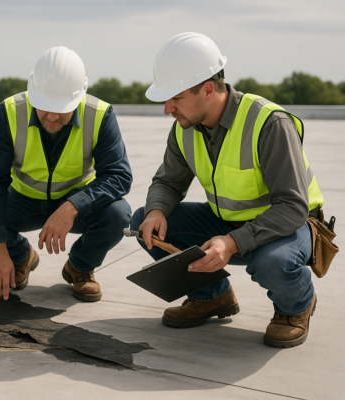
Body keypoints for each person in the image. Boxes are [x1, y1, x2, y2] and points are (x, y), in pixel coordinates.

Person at [131, 32, 324, 348]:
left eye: (175, 98)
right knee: (144, 222)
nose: (167, 108)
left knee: (273, 262)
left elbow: (292, 207)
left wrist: (233, 242)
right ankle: (211, 297)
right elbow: (167, 182)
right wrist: (156, 209)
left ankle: (295, 307)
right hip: (229, 221)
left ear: (207, 89)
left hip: (289, 226)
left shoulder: (269, 123)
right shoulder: (186, 127)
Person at [0, 46, 132, 303]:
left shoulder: (99, 115)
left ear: (79, 98)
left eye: (62, 108)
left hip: (77, 201)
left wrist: (74, 206)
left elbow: (119, 176)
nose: (52, 116)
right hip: (23, 200)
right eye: (44, 106)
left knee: (119, 214)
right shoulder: (8, 113)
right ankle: (21, 257)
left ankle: (80, 267)